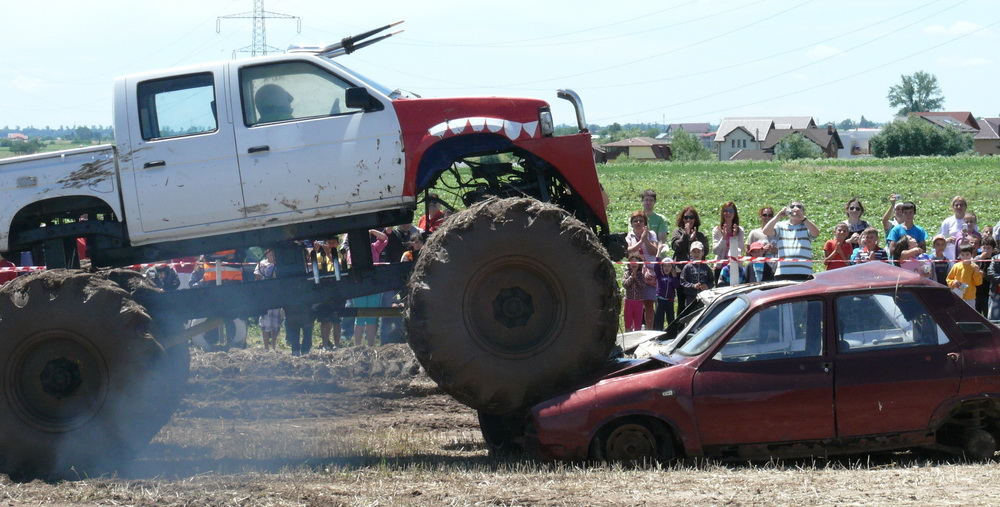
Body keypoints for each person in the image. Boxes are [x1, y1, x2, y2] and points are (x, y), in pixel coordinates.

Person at [762, 200, 820, 280]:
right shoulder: (781, 226)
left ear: (803, 212)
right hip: (783, 272)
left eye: (799, 207)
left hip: (804, 271)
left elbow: (816, 233)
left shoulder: (807, 226)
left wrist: (803, 218)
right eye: (792, 206)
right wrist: (779, 215)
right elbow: (766, 231)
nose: (795, 208)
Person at [670, 206, 709, 312]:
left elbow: (705, 251)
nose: (688, 220)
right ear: (682, 219)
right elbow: (676, 247)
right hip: (681, 272)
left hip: (697, 273)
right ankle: (680, 322)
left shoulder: (700, 235)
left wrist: (694, 240)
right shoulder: (677, 232)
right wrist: (686, 236)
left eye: (691, 217)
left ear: (695, 219)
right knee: (682, 302)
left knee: (698, 302)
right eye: (686, 217)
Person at [626, 210, 659, 330]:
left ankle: (650, 330)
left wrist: (646, 240)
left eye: (641, 220)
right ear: (632, 223)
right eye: (635, 221)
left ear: (645, 222)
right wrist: (641, 241)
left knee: (649, 303)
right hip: (636, 274)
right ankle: (636, 330)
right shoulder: (629, 236)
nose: (638, 223)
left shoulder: (651, 234)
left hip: (650, 274)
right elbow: (630, 251)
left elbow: (654, 251)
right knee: (636, 304)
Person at [254, 248, 282, 351]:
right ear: (266, 251)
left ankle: (273, 347)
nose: (272, 252)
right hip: (265, 297)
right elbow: (257, 278)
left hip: (277, 296)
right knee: (265, 323)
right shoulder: (261, 264)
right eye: (269, 250)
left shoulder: (280, 264)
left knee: (276, 322)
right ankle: (266, 347)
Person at [712, 201, 745, 282]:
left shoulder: (740, 230)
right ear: (722, 213)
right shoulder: (717, 230)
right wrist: (723, 238)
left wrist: (735, 237)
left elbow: (741, 250)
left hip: (735, 267)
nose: (728, 213)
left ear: (734, 214)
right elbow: (715, 251)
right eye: (726, 211)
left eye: (731, 211)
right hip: (720, 267)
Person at [622, 254, 653, 332]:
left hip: (638, 302)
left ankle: (637, 337)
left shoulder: (641, 275)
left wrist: (636, 278)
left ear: (639, 264)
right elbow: (625, 284)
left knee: (638, 324)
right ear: (629, 264)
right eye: (632, 262)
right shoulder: (626, 273)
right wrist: (631, 277)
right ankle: (628, 336)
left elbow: (642, 286)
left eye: (636, 262)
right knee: (628, 322)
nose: (634, 264)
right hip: (628, 301)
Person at [679, 241, 713, 310]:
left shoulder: (706, 267)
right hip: (691, 297)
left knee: (703, 313)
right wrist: (693, 286)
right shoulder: (687, 267)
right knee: (691, 314)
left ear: (703, 253)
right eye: (694, 252)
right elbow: (682, 281)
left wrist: (707, 286)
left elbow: (712, 281)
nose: (696, 254)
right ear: (690, 253)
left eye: (698, 251)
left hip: (704, 297)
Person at [653, 247, 680, 331]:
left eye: (669, 266)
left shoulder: (673, 277)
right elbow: (656, 266)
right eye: (664, 265)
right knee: (659, 318)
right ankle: (658, 333)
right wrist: (658, 251)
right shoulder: (660, 275)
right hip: (660, 300)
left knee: (671, 318)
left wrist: (674, 277)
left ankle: (672, 334)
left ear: (672, 267)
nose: (666, 268)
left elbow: (676, 286)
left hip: (670, 300)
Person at [939, 196, 970, 261]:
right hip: (950, 252)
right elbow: (939, 238)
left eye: (961, 205)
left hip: (966, 252)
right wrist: (947, 240)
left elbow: (975, 236)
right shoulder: (947, 221)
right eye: (956, 205)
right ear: (953, 207)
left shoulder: (970, 220)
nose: (959, 207)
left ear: (965, 207)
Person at [975, 237, 997, 316]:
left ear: (993, 250)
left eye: (988, 248)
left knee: (987, 315)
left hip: (989, 293)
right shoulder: (977, 257)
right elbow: (971, 267)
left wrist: (985, 275)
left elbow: (995, 276)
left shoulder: (995, 260)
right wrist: (980, 259)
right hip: (977, 292)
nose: (986, 250)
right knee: (976, 315)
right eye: (984, 248)